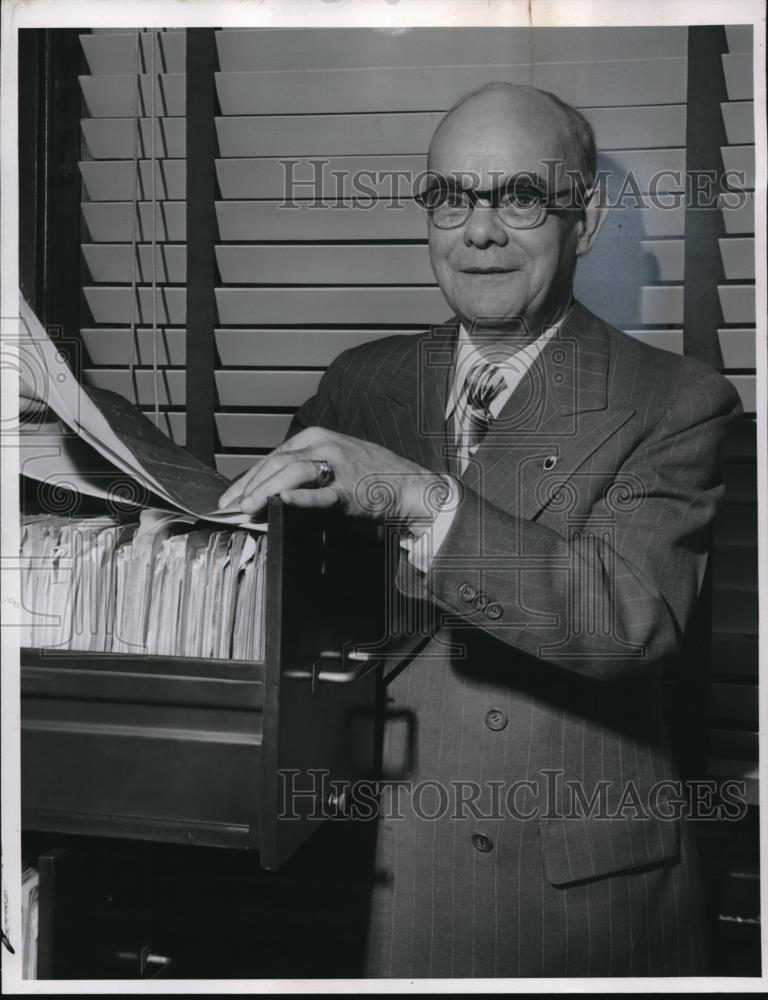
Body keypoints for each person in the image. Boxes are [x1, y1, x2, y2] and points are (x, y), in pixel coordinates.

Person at [218, 83, 742, 978]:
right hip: (364, 862)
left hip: (566, 896)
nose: (480, 232)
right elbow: (266, 576)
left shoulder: (677, 400)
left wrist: (424, 498)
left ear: (587, 216)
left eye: (521, 196)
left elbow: (630, 619)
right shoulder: (363, 380)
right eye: (452, 198)